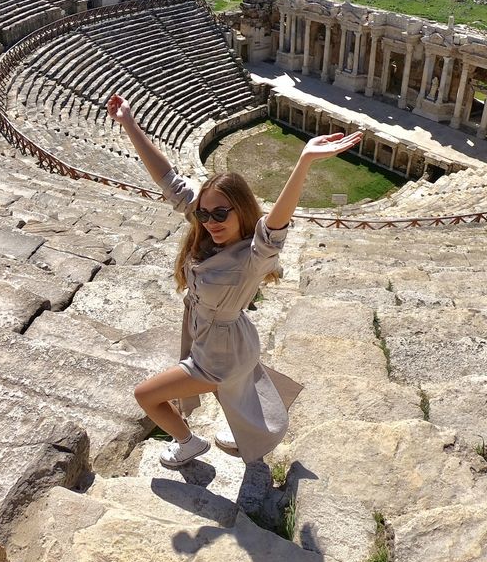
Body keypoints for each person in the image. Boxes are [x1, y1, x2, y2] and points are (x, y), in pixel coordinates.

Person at [107, 93, 363, 468]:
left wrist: (303, 163)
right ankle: (248, 424)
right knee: (238, 382)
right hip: (230, 339)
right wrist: (128, 121)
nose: (210, 222)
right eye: (205, 213)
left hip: (219, 354)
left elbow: (274, 228)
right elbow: (169, 180)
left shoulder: (252, 256)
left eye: (221, 213)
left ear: (241, 211)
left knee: (147, 396)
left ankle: (187, 442)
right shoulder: (210, 228)